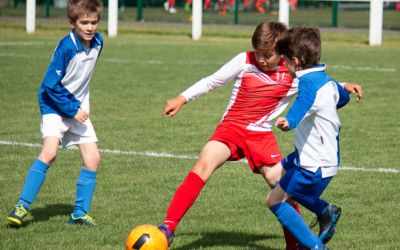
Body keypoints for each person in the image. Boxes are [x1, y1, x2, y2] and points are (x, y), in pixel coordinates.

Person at [159, 20, 362, 249]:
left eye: (268, 55)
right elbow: (212, 81)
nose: (262, 59)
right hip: (231, 128)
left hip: (260, 135)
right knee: (203, 165)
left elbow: (317, 84)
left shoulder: (292, 73)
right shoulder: (245, 60)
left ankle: (296, 243)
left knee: (281, 186)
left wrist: (343, 84)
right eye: (258, 53)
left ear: (283, 53)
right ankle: (168, 228)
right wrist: (182, 98)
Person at [6, 0, 103, 227]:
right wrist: (72, 109)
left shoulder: (98, 42)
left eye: (94, 22)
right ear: (72, 22)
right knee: (49, 153)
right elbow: (50, 85)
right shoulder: (66, 47)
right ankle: (21, 205)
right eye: (84, 22)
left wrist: (79, 107)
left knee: (93, 158)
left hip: (77, 108)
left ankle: (79, 213)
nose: (90, 27)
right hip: (53, 105)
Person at [266, 26, 351, 249]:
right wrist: (347, 88)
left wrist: (289, 122)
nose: (284, 65)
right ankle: (325, 211)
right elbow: (340, 98)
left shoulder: (307, 84)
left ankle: (314, 246)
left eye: (285, 60)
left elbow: (303, 103)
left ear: (295, 60)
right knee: (275, 175)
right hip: (313, 156)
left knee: (274, 201)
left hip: (315, 164)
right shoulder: (325, 79)